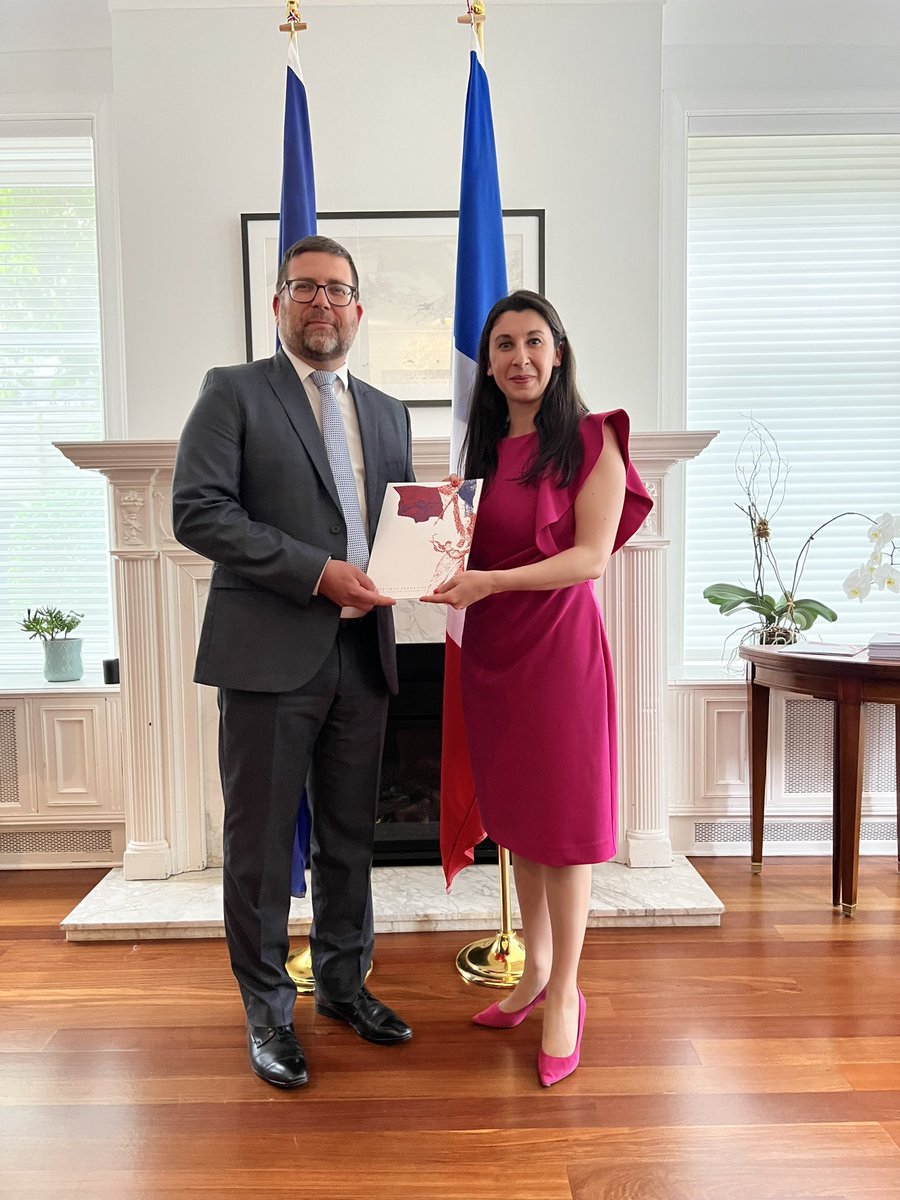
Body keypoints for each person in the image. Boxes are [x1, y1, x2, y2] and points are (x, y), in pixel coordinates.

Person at [172, 235, 415, 1090]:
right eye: (304, 288)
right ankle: (268, 1013)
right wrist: (316, 573)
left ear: (358, 309)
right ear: (278, 303)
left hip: (364, 654)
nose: (322, 304)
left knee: (350, 837)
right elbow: (198, 511)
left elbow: (400, 524)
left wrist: (431, 554)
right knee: (262, 845)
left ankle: (346, 986)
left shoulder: (388, 412)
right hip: (269, 652)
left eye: (337, 290)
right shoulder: (233, 392)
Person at [422, 290, 651, 1087]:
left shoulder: (594, 439)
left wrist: (486, 582)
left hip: (557, 654)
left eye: (533, 341)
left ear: (558, 351)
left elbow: (591, 558)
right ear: (487, 365)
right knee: (518, 819)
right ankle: (531, 976)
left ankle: (566, 997)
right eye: (504, 346)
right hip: (494, 654)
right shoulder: (479, 458)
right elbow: (449, 557)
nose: (519, 357)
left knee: (562, 826)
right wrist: (430, 561)